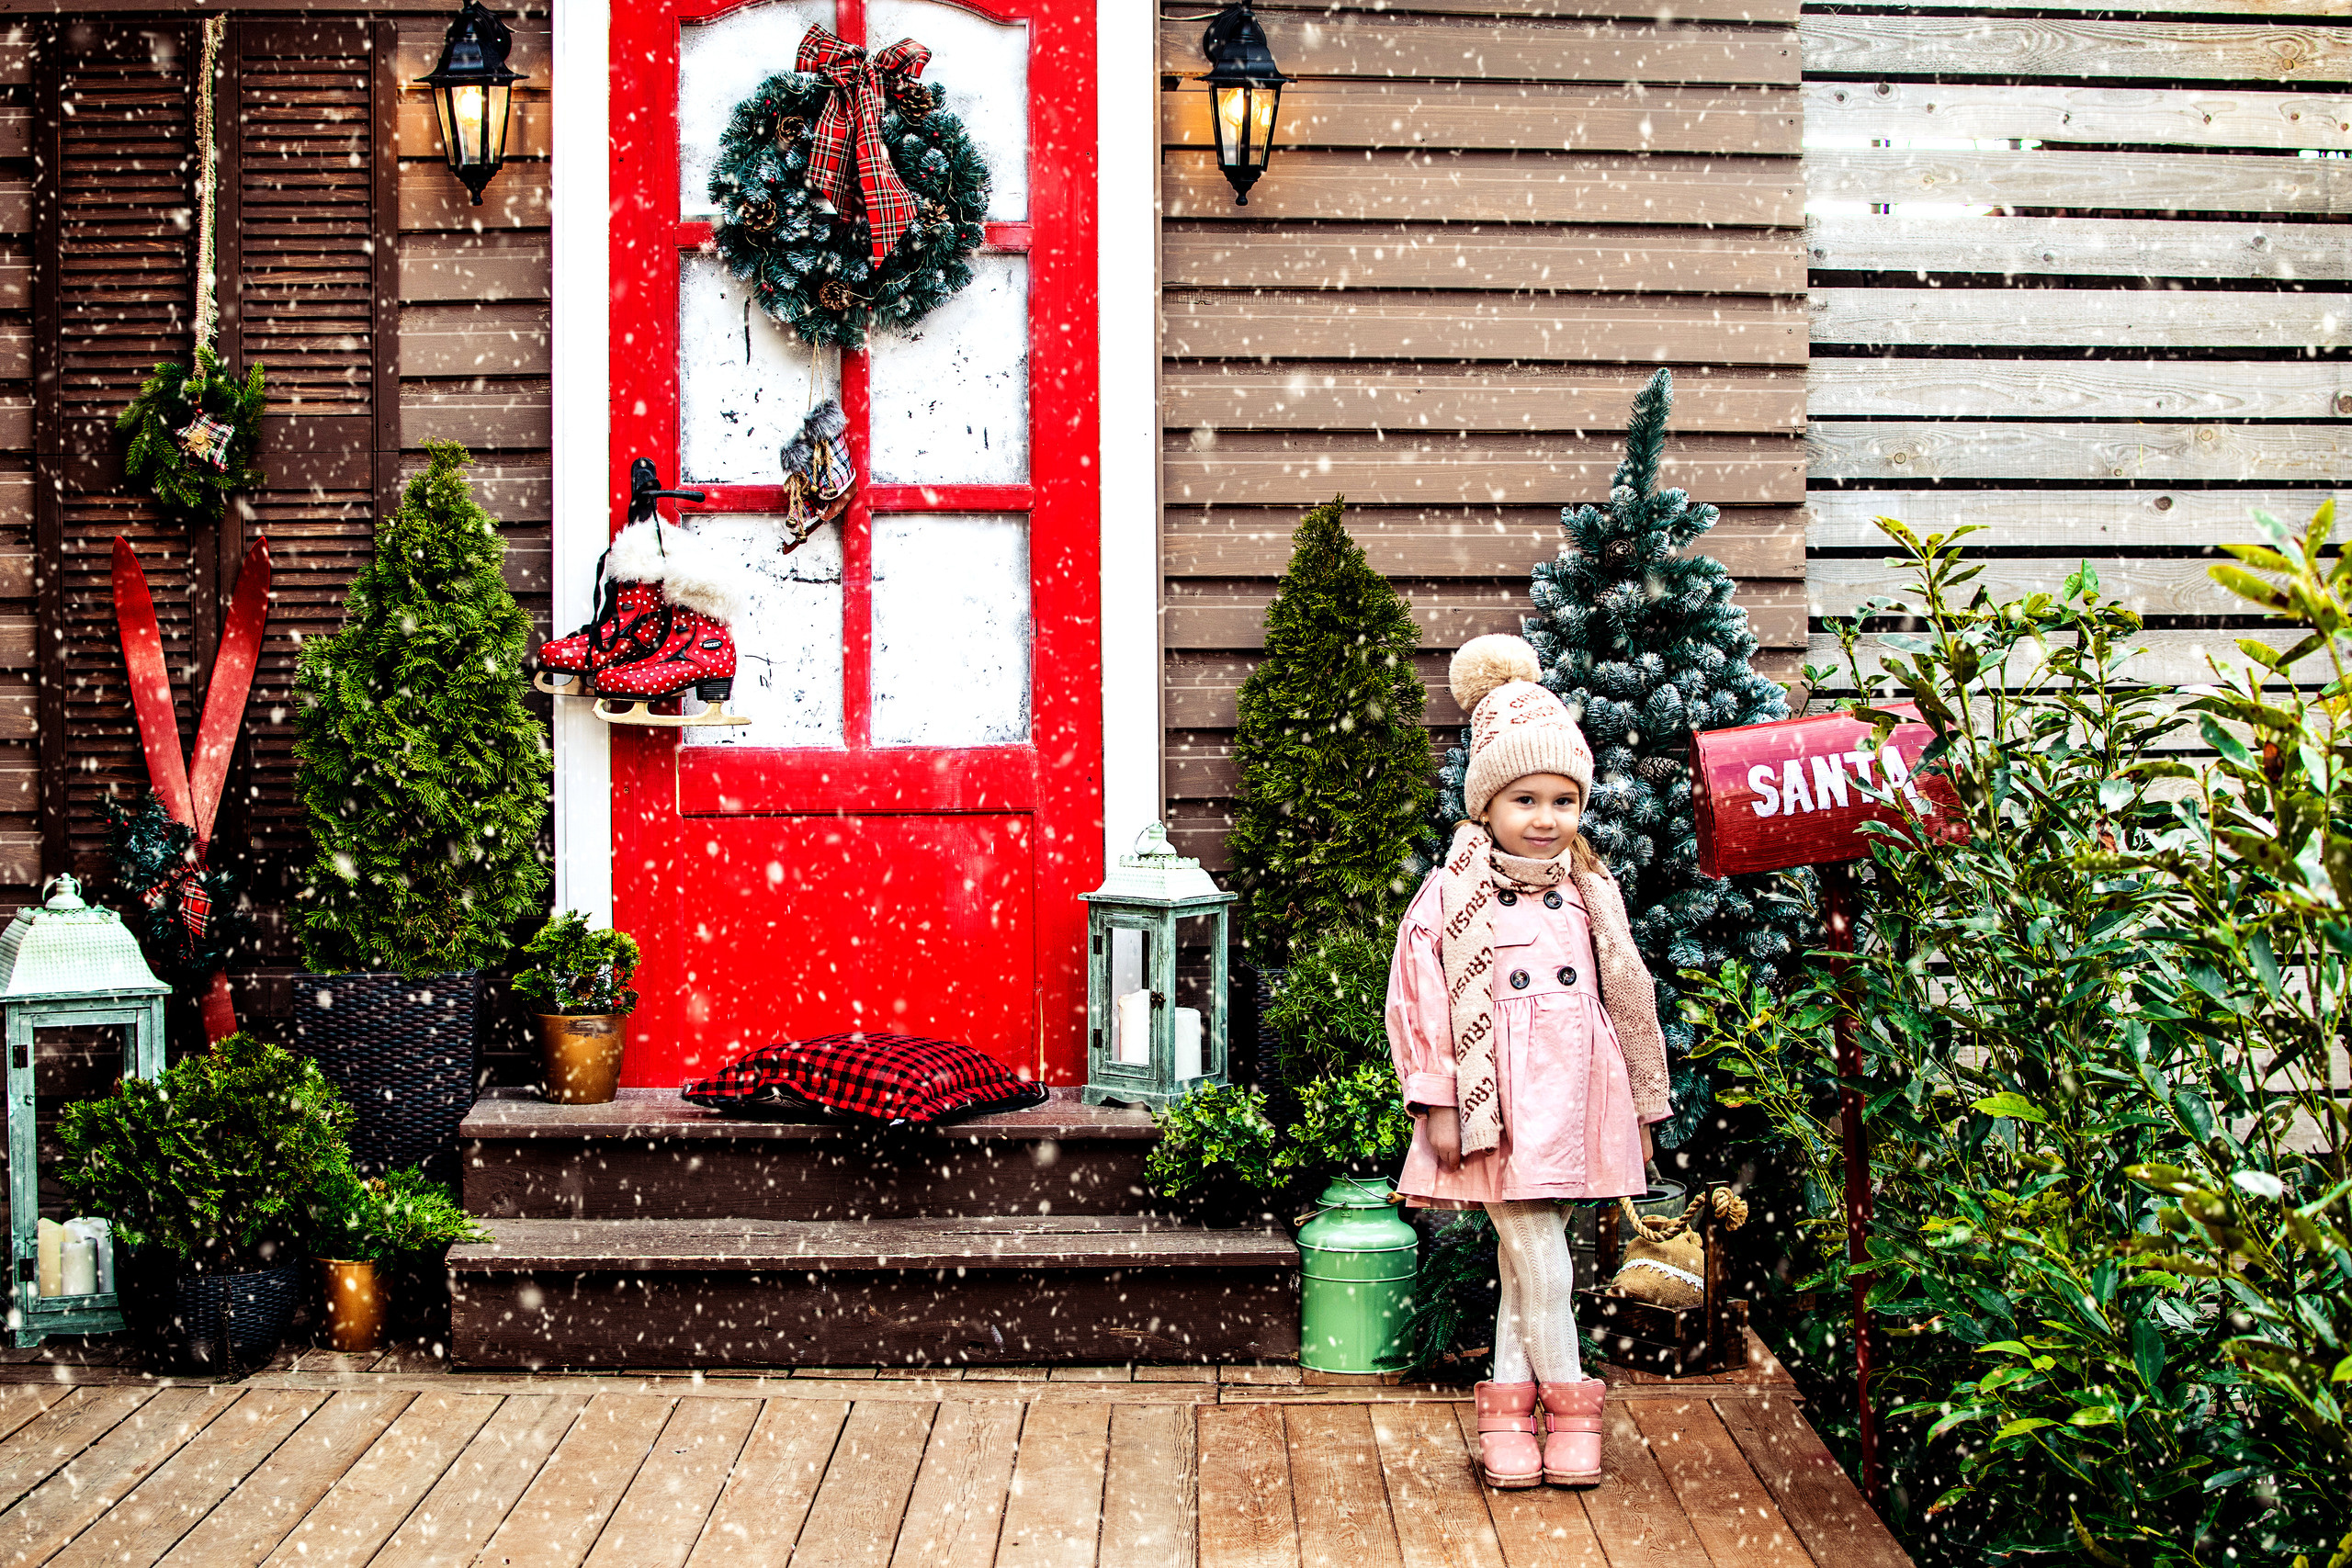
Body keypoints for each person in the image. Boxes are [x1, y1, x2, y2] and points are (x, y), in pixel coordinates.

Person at [1386, 633, 1672, 1489]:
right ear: (1487, 803)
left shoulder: (1591, 890)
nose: (1546, 817)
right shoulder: (1451, 892)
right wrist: (1439, 1095)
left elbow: (1629, 997)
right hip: (1496, 1101)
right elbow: (1419, 997)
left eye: (1563, 799)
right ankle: (1574, 1407)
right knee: (1542, 1255)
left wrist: (1644, 1106)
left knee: (1525, 1268)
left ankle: (1508, 1420)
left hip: (1576, 1092)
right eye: (1525, 798)